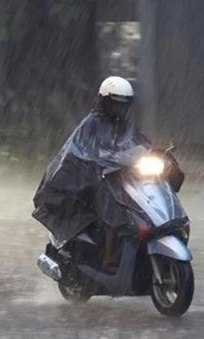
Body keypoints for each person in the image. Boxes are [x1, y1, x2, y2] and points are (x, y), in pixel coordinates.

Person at [32, 76, 182, 273]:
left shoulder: (127, 126)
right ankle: (109, 255)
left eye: (124, 105)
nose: (119, 109)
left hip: (120, 176)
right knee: (114, 205)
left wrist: (156, 152)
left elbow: (141, 143)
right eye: (115, 104)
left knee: (150, 191)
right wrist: (101, 159)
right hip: (89, 179)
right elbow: (82, 150)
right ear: (105, 101)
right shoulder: (91, 124)